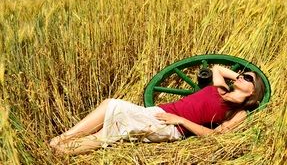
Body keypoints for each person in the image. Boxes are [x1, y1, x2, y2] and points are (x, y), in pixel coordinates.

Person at [49, 65, 265, 154]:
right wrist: (237, 75)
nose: (241, 75)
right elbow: (216, 67)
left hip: (171, 127)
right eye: (243, 73)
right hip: (158, 111)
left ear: (253, 92)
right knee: (110, 131)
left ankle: (62, 140)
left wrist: (181, 122)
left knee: (111, 106)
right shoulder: (220, 88)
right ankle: (61, 147)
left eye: (248, 78)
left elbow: (217, 136)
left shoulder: (239, 113)